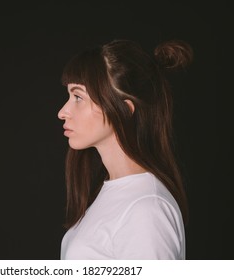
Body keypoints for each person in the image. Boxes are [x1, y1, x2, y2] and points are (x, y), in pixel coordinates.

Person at [57, 38, 193, 259]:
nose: (63, 112)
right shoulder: (113, 193)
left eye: (78, 97)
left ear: (122, 109)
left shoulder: (147, 209)